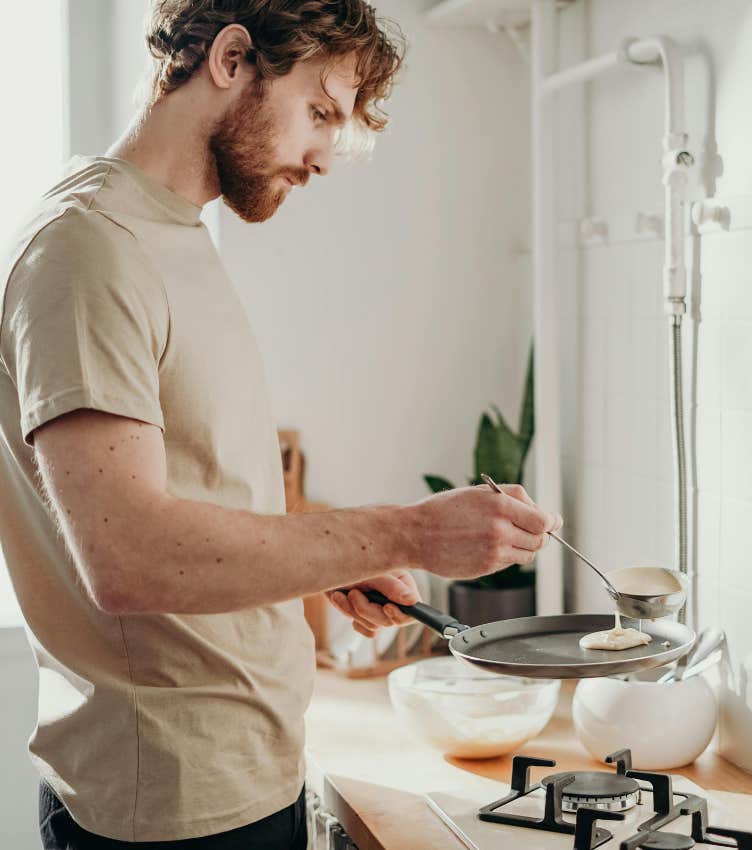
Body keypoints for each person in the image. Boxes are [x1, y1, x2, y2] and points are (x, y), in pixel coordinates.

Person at [0, 1, 562, 848]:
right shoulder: (90, 249)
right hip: (171, 810)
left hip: (244, 776)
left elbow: (193, 491)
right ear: (231, 60)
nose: (324, 157)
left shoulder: (173, 234)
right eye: (320, 113)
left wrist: (322, 560)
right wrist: (402, 534)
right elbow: (127, 557)